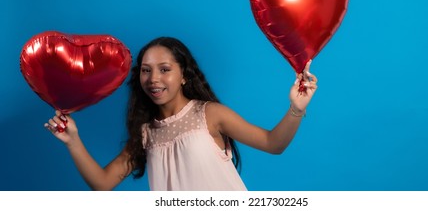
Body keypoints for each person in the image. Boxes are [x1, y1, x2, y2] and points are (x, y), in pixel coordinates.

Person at [45, 36, 318, 191]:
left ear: (184, 75)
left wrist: (296, 108)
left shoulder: (210, 114)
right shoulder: (146, 134)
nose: (154, 78)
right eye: (146, 70)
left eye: (165, 69)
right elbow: (102, 183)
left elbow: (274, 144)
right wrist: (73, 140)